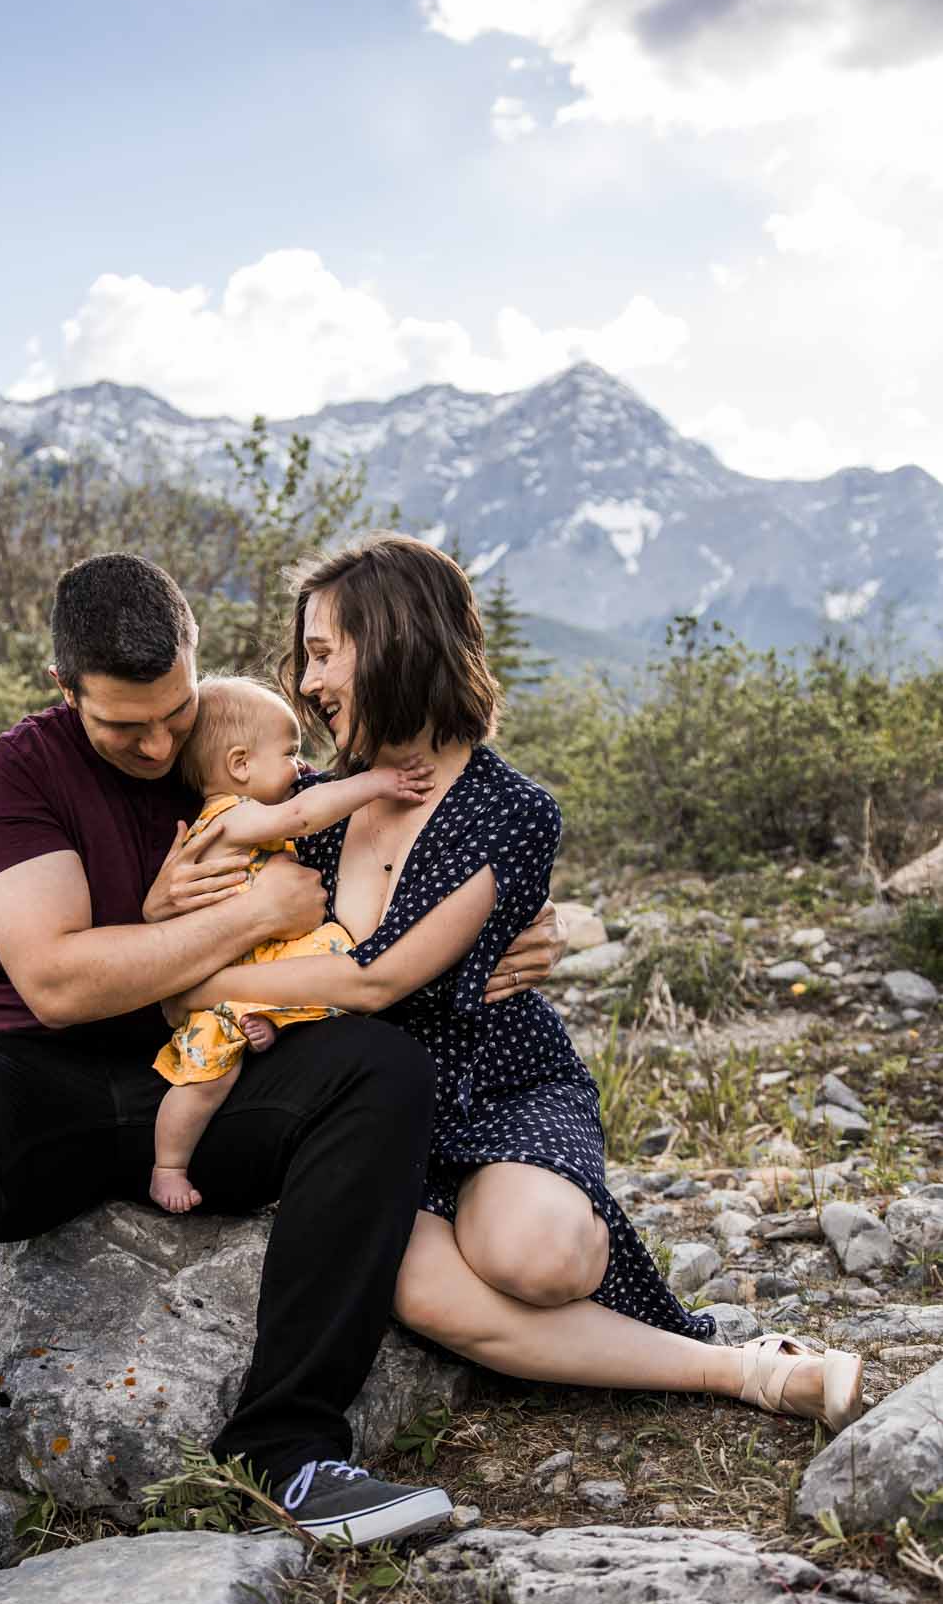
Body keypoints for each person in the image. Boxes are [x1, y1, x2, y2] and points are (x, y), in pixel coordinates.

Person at [0, 551, 566, 1604]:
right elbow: (56, 980)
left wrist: (526, 933)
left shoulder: (231, 740)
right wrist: (228, 916)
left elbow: (404, 862)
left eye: (177, 709)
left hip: (213, 1070)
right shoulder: (25, 769)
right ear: (64, 687)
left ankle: (290, 1445)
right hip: (47, 1075)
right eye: (128, 720)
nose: (160, 737)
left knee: (381, 1070)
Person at [166, 533, 865, 1439]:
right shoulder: (309, 803)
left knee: (539, 1260)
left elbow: (377, 981)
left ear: (396, 641)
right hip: (360, 1104)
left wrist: (205, 980)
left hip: (496, 1081)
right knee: (424, 1291)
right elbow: (203, 901)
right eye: (305, 657)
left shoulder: (510, 808)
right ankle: (745, 1374)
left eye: (324, 652)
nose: (307, 683)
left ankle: (546, 1249)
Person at [151, 674, 434, 1212]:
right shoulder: (232, 816)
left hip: (252, 959)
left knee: (327, 953)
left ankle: (268, 1017)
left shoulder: (245, 814)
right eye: (289, 753)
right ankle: (168, 1165)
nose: (301, 767)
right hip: (224, 964)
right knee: (208, 1075)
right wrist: (377, 782)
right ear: (239, 766)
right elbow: (302, 815)